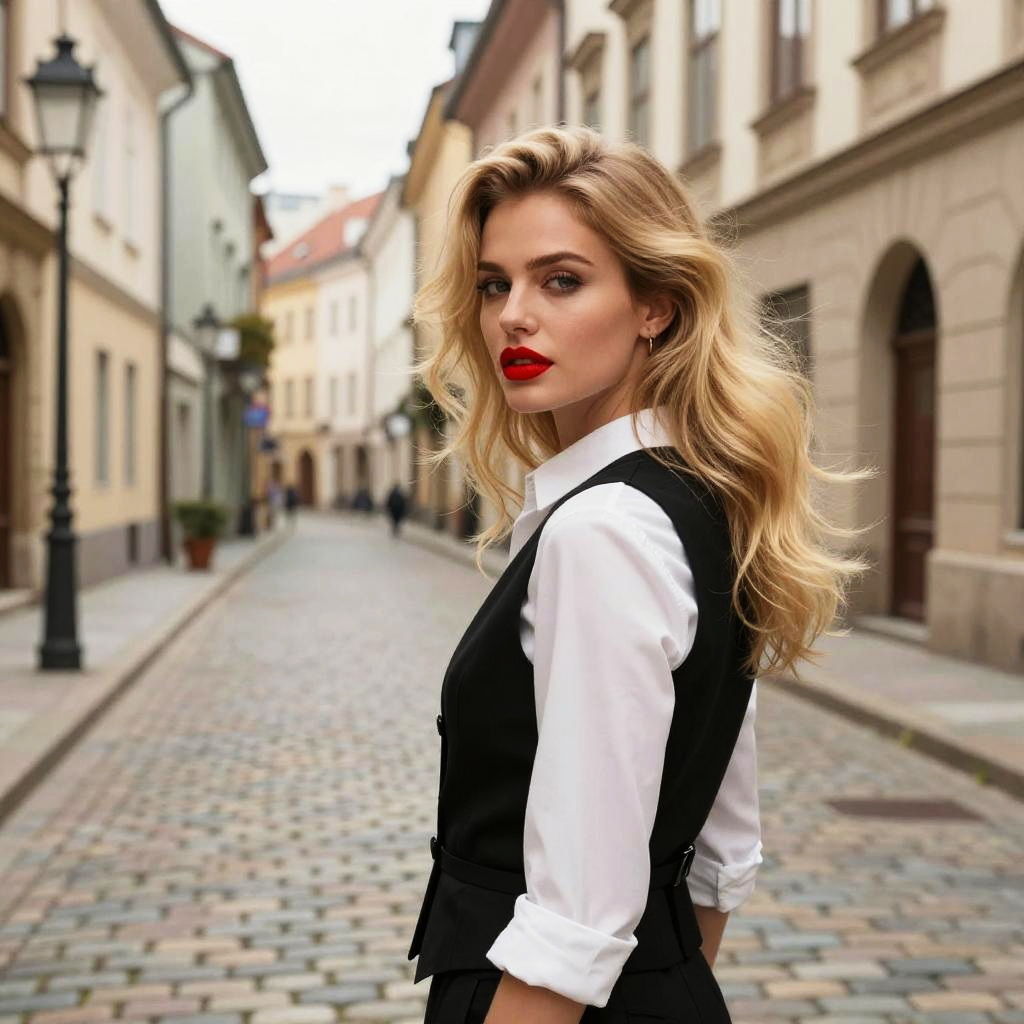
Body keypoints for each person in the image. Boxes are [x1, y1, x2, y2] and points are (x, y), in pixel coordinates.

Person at [406, 127, 866, 1024]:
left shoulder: (603, 531)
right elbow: (722, 859)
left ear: (654, 304)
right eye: (495, 284)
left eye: (561, 280)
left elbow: (575, 924)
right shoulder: (699, 502)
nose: (512, 316)